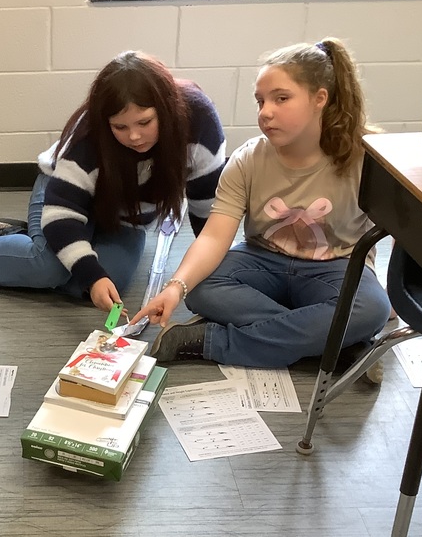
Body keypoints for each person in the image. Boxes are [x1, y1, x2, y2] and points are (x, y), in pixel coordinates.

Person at [133, 38, 391, 370]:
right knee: (200, 288)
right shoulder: (247, 160)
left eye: (281, 99)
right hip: (262, 262)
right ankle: (334, 346)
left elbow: (405, 230)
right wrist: (174, 288)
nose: (266, 112)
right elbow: (214, 237)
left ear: (319, 99)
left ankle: (215, 342)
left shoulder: (366, 157)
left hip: (334, 268)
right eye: (260, 101)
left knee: (371, 309)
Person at [0, 50, 227, 312]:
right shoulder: (88, 137)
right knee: (50, 269)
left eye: (145, 122)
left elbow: (209, 210)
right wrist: (90, 274)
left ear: (165, 107)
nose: (134, 136)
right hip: (63, 198)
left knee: (108, 282)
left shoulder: (199, 120)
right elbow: (61, 215)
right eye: (120, 127)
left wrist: (210, 267)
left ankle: (9, 236)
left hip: (126, 214)